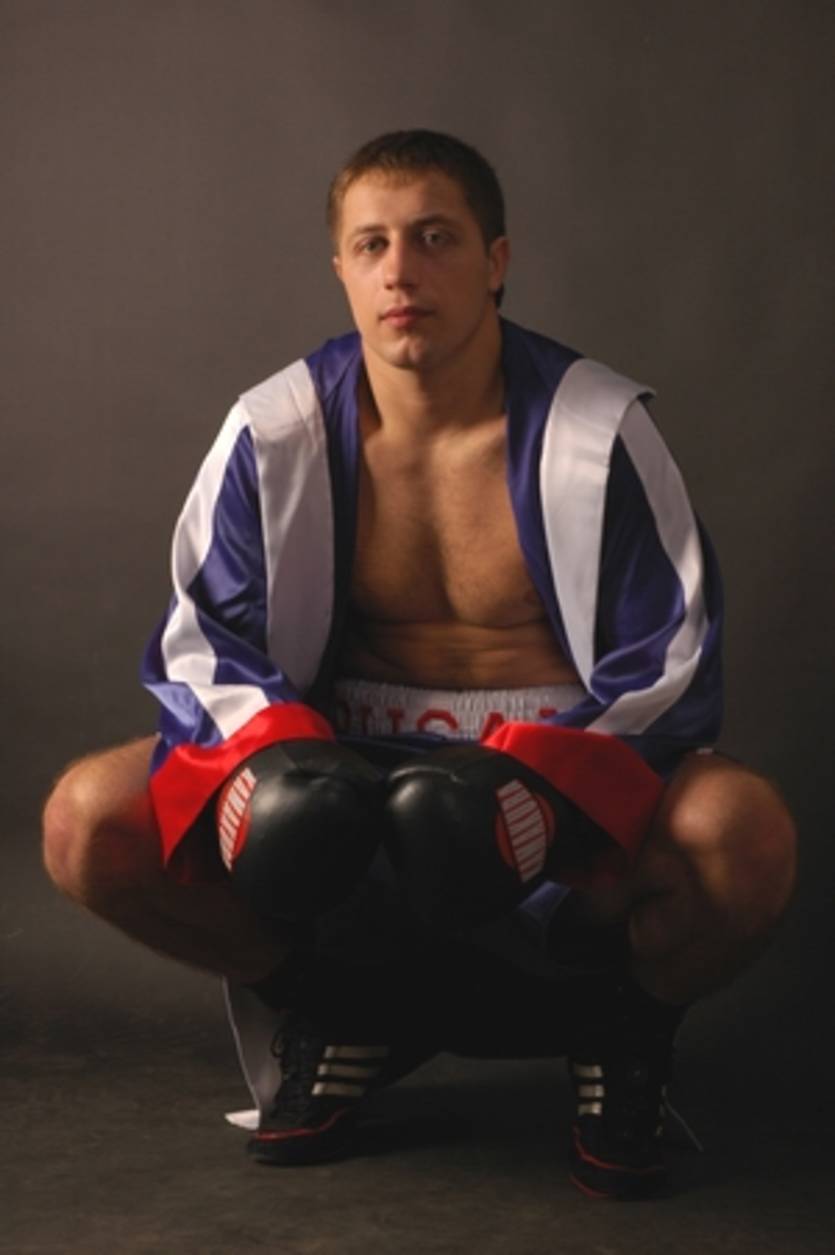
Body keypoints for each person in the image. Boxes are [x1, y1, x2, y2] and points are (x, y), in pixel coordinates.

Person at [42, 130, 796, 1200]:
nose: (401, 271)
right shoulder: (275, 431)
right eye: (373, 244)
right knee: (86, 821)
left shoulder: (593, 432)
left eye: (435, 238)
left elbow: (668, 658)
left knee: (743, 834)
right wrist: (277, 763)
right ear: (342, 270)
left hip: (555, 774)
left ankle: (621, 1030)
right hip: (344, 769)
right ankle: (339, 1009)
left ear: (495, 261)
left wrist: (537, 786)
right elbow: (203, 640)